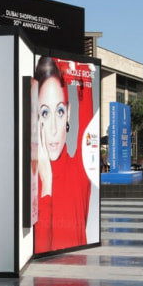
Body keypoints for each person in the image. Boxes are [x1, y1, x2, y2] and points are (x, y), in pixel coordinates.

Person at [34, 56, 92, 253]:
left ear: (68, 113)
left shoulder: (81, 168)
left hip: (78, 272)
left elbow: (86, 95)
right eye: (45, 113)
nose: (52, 128)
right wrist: (46, 182)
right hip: (43, 274)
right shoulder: (29, 180)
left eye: (59, 111)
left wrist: (77, 71)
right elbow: (40, 251)